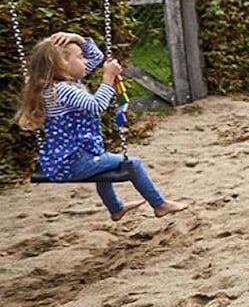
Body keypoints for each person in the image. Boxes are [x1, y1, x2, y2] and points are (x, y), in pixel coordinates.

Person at [14, 31, 183, 221]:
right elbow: (97, 105)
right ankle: (160, 205)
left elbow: (97, 57)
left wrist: (78, 39)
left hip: (70, 157)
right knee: (133, 164)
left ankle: (116, 208)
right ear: (62, 65)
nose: (86, 60)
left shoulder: (61, 84)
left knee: (104, 168)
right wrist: (108, 78)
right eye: (80, 57)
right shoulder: (63, 91)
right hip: (74, 161)